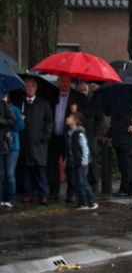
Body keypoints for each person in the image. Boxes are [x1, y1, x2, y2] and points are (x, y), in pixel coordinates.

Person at [47, 73, 89, 203]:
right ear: (58, 81)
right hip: (54, 135)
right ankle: (54, 191)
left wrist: (76, 111)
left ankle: (71, 192)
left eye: (67, 81)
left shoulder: (78, 97)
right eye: (62, 81)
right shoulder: (52, 95)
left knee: (70, 164)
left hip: (69, 136)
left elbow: (90, 112)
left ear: (70, 82)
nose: (64, 84)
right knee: (52, 164)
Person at [14, 77, 53, 205]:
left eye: (32, 86)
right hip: (24, 141)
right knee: (25, 170)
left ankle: (43, 194)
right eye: (26, 86)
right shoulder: (19, 104)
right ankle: (28, 194)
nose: (29, 88)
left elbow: (49, 122)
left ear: (36, 88)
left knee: (39, 170)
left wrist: (44, 136)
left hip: (38, 143)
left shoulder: (44, 103)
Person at [64, 111, 97, 210]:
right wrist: (67, 161)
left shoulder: (79, 134)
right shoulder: (71, 133)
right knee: (78, 182)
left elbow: (84, 148)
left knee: (83, 182)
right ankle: (82, 202)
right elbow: (70, 150)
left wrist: (84, 160)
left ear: (74, 121)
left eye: (69, 117)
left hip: (81, 162)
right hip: (75, 162)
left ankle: (91, 201)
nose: (67, 119)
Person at [75, 81, 104, 190]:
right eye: (81, 90)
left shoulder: (92, 101)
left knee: (91, 157)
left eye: (84, 90)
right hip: (79, 132)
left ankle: (94, 182)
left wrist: (94, 131)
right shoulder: (75, 101)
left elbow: (99, 117)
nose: (83, 92)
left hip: (90, 133)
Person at [0, 91, 23, 207]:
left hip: (13, 145)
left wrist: (6, 122)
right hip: (1, 145)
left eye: (5, 95)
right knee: (2, 174)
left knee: (9, 173)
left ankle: (11, 198)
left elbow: (20, 125)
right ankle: (2, 197)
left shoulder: (14, 109)